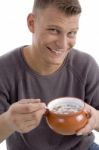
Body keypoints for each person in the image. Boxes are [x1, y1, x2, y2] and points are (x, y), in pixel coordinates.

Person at [0, 0, 99, 149]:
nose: (63, 44)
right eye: (54, 30)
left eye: (71, 33)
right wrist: (8, 122)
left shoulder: (86, 66)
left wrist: (95, 120)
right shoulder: (4, 69)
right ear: (32, 23)